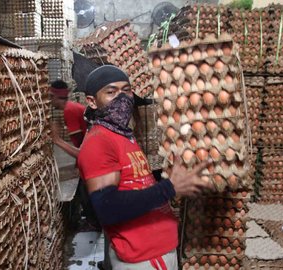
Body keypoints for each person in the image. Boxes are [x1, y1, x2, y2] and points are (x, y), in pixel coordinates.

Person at [78, 66, 213, 270]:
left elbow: (133, 184)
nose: (122, 98)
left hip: (155, 252)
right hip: (144, 259)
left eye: (126, 90)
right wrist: (169, 187)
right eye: (111, 92)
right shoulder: (99, 141)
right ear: (92, 101)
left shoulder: (121, 134)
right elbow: (108, 208)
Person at [48, 79, 100, 230]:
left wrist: (57, 140)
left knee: (85, 192)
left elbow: (81, 153)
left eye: (51, 97)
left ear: (57, 97)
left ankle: (94, 224)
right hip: (93, 155)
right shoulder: (72, 108)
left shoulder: (69, 111)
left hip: (93, 159)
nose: (49, 100)